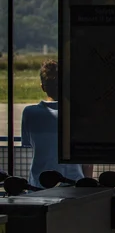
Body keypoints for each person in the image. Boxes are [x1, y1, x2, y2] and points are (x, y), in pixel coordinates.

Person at [21, 59, 92, 188]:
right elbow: (86, 160)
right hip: (73, 184)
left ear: (43, 87)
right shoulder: (78, 114)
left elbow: (29, 143)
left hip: (38, 185)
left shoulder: (29, 113)